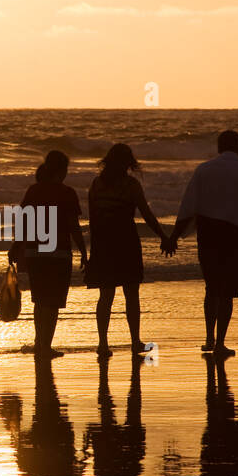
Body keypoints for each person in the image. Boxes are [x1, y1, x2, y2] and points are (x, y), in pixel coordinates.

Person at [168, 129, 238, 358]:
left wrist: (174, 236)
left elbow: (188, 206)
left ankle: (208, 338)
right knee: (228, 291)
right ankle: (221, 342)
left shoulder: (204, 170)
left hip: (208, 233)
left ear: (218, 147)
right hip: (233, 235)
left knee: (212, 287)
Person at [86, 143, 174, 359]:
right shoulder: (130, 185)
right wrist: (164, 236)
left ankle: (103, 344)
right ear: (128, 163)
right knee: (131, 294)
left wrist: (91, 251)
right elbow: (146, 214)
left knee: (105, 295)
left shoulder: (97, 184)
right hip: (125, 241)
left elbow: (93, 219)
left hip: (103, 243)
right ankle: (135, 342)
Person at [13, 149, 86, 359]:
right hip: (59, 253)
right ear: (62, 170)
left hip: (35, 252)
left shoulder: (34, 190)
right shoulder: (67, 193)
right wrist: (82, 250)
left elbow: (24, 221)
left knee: (40, 300)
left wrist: (17, 246)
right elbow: (73, 225)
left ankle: (40, 344)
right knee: (52, 302)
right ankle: (46, 346)